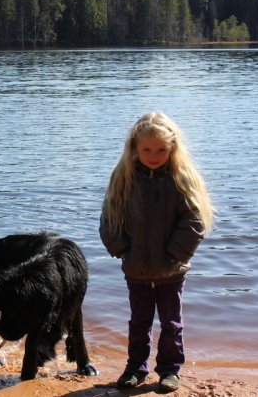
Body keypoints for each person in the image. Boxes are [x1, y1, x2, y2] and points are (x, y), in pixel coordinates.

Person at [99, 112, 214, 392]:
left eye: (161, 150)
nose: (153, 155)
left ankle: (170, 370)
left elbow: (195, 220)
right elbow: (108, 218)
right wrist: (122, 250)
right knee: (139, 321)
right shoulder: (124, 178)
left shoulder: (180, 178)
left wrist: (175, 255)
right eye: (147, 150)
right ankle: (135, 368)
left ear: (172, 148)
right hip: (135, 268)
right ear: (135, 148)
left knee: (171, 322)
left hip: (171, 270)